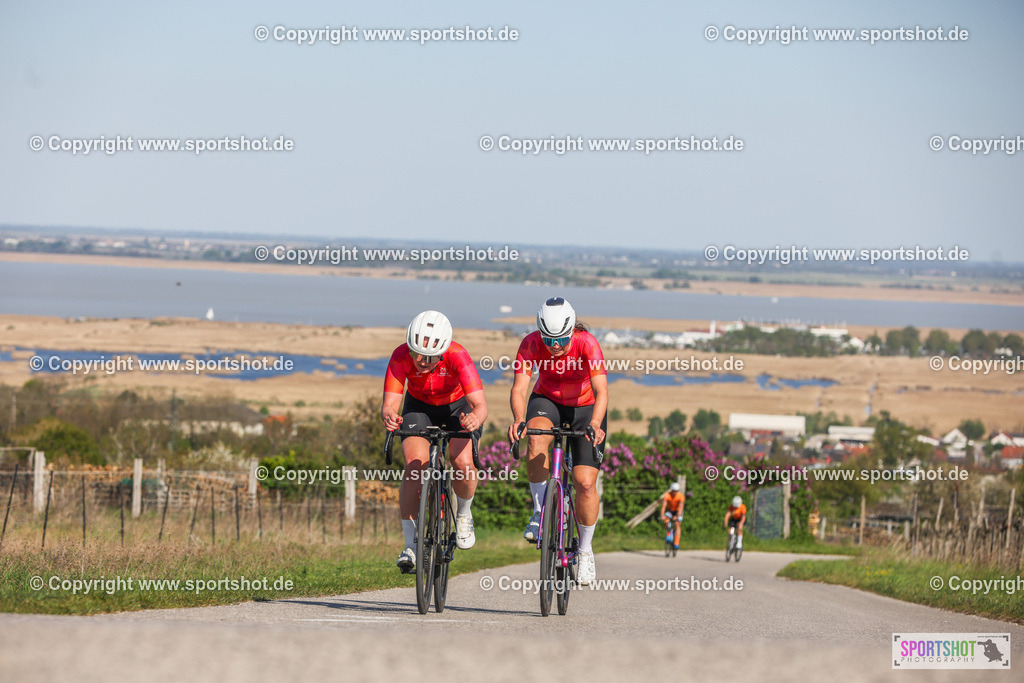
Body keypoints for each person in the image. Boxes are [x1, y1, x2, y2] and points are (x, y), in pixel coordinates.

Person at [507, 297, 608, 586]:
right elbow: (519, 387)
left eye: (562, 339)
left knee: (585, 482)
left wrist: (596, 424)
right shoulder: (530, 344)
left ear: (572, 331)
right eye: (549, 339)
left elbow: (602, 391)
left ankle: (585, 550)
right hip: (547, 400)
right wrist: (518, 418)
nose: (555, 346)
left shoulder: (587, 343)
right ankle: (541, 513)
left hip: (585, 407)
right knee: (536, 441)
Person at [381, 311, 487, 573]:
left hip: (457, 407)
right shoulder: (400, 356)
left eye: (428, 357)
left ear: (442, 352)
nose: (419, 361)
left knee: (462, 462)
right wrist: (390, 416)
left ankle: (463, 514)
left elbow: (480, 406)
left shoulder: (458, 356)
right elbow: (390, 404)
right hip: (419, 407)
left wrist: (474, 419)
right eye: (415, 352)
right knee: (414, 467)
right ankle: (409, 545)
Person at [660, 482, 685, 549]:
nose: (675, 493)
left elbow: (681, 507)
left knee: (677, 523)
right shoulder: (667, 495)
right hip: (670, 510)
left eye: (676, 491)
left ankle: (676, 542)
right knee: (667, 519)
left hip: (678, 510)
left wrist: (677, 516)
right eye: (673, 491)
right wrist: (662, 515)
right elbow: (663, 507)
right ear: (671, 490)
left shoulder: (681, 496)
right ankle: (668, 532)